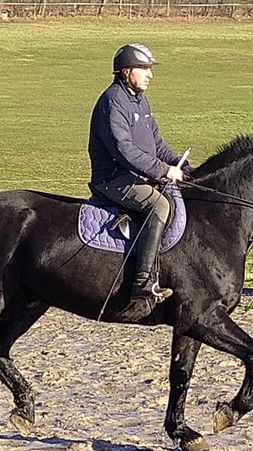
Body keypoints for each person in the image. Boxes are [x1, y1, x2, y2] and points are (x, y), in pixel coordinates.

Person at [88, 43, 189, 302]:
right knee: (160, 207)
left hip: (136, 176)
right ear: (125, 72)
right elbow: (124, 151)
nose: (150, 74)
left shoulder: (139, 101)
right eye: (143, 68)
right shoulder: (112, 102)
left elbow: (156, 144)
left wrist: (180, 164)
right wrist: (163, 170)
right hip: (113, 179)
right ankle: (141, 281)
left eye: (150, 69)